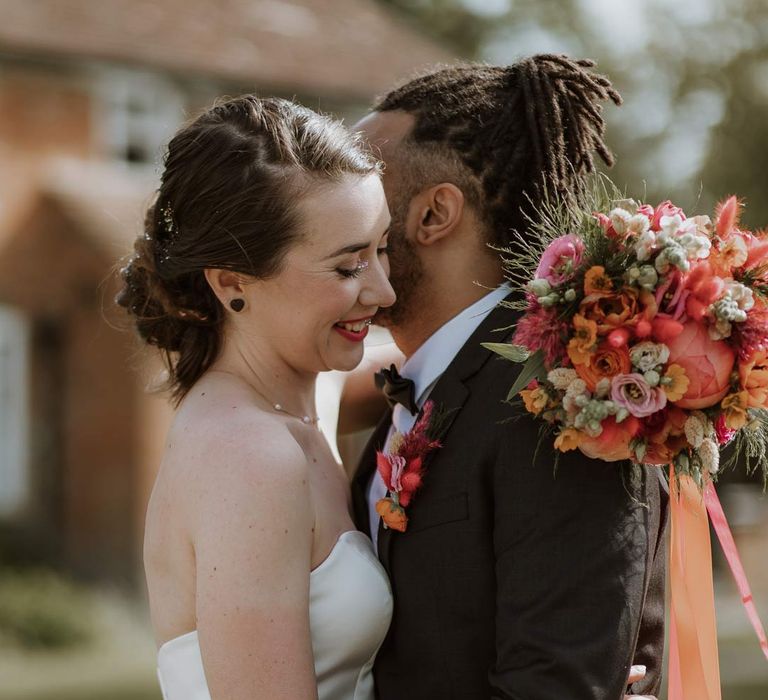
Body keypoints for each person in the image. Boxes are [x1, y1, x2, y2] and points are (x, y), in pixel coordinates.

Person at [349, 55, 668, 700]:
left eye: (357, 186)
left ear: (434, 215)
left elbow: (559, 683)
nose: (330, 207)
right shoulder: (425, 387)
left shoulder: (561, 398)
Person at [117, 95, 396, 700]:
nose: (384, 289)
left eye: (383, 248)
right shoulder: (249, 457)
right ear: (233, 283)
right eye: (348, 268)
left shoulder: (300, 402)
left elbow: (419, 365)